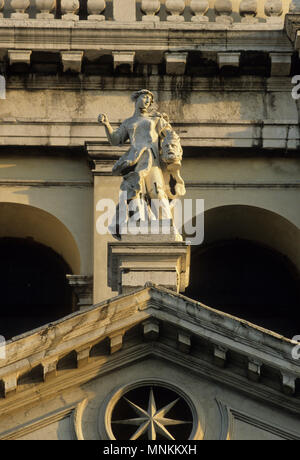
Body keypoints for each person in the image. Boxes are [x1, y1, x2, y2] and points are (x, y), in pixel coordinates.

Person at [98, 89, 185, 237]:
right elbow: (115, 140)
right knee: (135, 191)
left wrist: (173, 153)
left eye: (149, 100)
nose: (146, 101)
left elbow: (171, 136)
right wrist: (106, 124)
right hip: (134, 159)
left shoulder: (156, 119)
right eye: (144, 98)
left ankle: (165, 222)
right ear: (137, 99)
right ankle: (137, 221)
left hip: (152, 159)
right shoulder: (128, 122)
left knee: (156, 190)